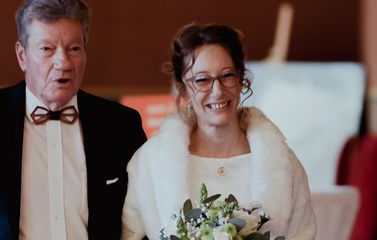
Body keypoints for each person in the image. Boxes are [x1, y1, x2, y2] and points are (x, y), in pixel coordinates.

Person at [0, 0, 147, 240]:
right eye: (47, 49)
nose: (63, 62)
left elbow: (145, 219)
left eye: (74, 49)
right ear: (22, 56)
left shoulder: (121, 125)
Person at [121, 23, 316, 239]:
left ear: (241, 79)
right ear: (183, 88)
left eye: (227, 76)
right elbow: (130, 235)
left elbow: (304, 234)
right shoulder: (150, 161)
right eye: (202, 80)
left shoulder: (283, 163)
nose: (217, 90)